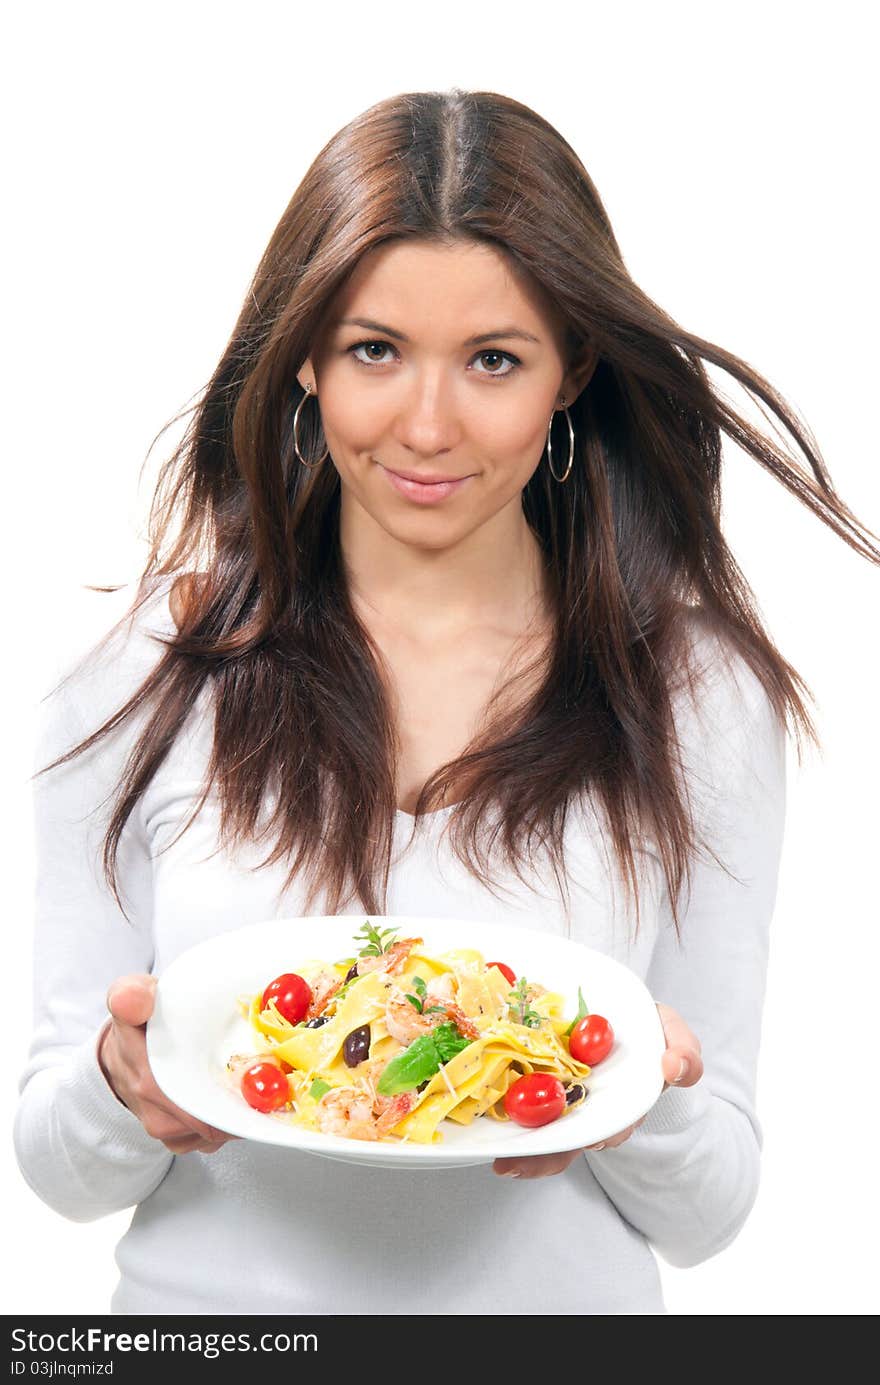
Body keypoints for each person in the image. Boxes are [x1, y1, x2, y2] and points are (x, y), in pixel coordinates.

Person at [14, 88, 880, 1317]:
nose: (428, 425)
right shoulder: (143, 670)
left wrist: (642, 1097)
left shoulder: (696, 693)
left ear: (571, 369)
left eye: (493, 360)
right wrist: (118, 1081)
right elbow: (57, 1166)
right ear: (304, 355)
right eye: (376, 349)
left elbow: (711, 1204)